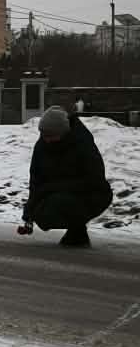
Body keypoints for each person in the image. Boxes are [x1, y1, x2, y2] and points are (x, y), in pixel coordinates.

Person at [18, 105, 112, 248]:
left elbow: (94, 180)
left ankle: (77, 231)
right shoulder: (42, 147)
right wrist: (29, 212)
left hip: (94, 194)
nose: (47, 140)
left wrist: (52, 188)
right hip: (58, 192)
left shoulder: (82, 144)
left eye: (51, 136)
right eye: (44, 135)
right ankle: (76, 231)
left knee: (59, 201)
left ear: (64, 132)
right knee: (42, 213)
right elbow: (36, 180)